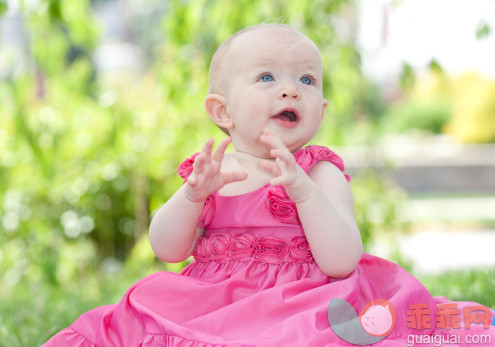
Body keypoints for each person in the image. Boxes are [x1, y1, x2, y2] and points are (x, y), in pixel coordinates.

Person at [45, 23, 494, 346]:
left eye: (306, 79)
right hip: (216, 300)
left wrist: (302, 192)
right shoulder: (212, 172)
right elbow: (167, 249)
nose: (290, 90)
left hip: (307, 299)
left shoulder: (320, 171)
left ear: (322, 106)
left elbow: (341, 261)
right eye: (267, 77)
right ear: (223, 112)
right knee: (143, 316)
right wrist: (192, 195)